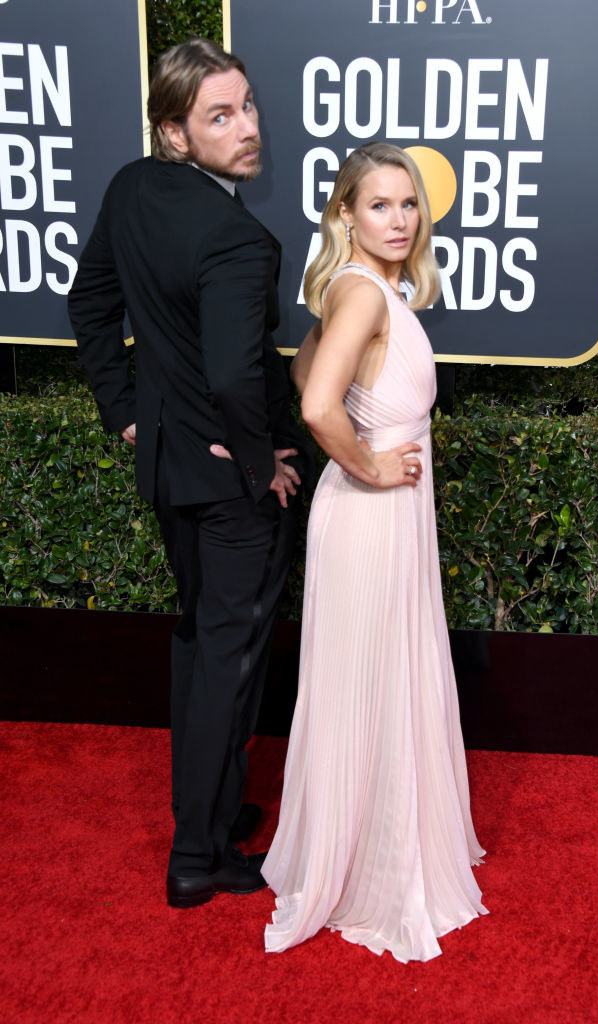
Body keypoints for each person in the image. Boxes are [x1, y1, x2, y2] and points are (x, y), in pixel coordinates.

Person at [68, 39, 311, 909]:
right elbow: (235, 376)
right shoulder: (240, 240)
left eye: (247, 105)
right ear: (175, 132)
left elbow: (89, 302)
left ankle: (208, 814)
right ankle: (199, 855)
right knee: (228, 662)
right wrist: (260, 463)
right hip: (231, 492)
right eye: (220, 115)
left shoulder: (131, 188)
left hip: (169, 472)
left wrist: (129, 414)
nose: (248, 129)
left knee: (198, 651)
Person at [262, 142, 487, 962]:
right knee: (369, 683)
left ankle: (363, 849)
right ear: (345, 214)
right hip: (369, 510)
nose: (398, 219)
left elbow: (300, 375)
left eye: (408, 204)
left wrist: (372, 456)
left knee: (376, 681)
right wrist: (370, 463)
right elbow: (319, 406)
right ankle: (367, 870)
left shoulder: (360, 291)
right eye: (379, 205)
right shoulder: (361, 295)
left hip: (378, 516)